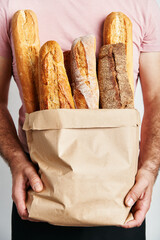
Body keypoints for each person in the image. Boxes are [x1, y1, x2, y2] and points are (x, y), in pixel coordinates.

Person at [0, 0, 160, 239]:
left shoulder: (142, 5)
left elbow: (156, 98)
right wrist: (15, 160)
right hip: (40, 191)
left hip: (120, 198)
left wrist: (149, 169)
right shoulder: (10, 6)